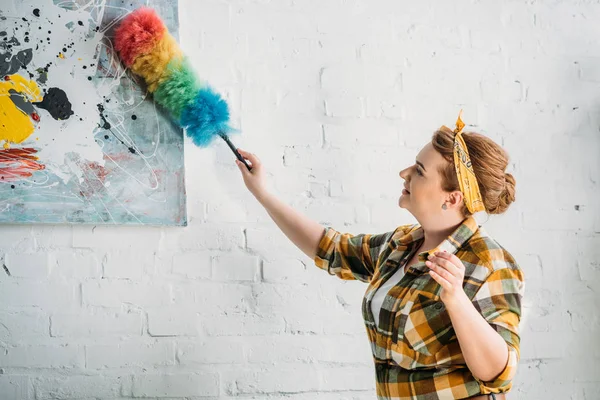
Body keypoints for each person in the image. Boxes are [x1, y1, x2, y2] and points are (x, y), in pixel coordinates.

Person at [235, 112, 524, 400]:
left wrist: (457, 300)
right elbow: (331, 248)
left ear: (452, 198)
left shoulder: (489, 262)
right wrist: (263, 193)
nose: (405, 173)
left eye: (420, 171)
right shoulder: (401, 245)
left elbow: (500, 373)